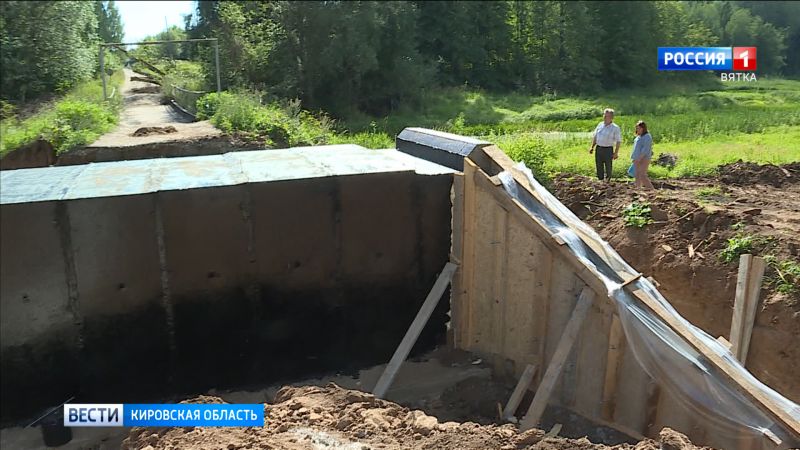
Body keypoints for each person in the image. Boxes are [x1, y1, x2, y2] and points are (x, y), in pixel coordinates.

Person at [589, 108, 621, 181]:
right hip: (599, 148)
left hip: (608, 149)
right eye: (604, 115)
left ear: (611, 117)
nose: (604, 117)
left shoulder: (615, 128)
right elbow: (595, 136)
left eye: (607, 116)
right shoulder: (600, 125)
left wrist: (616, 153)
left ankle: (607, 181)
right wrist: (592, 147)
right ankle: (600, 180)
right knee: (599, 165)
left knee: (608, 166)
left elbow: (618, 141)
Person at [631, 120, 654, 189]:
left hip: (644, 158)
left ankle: (651, 189)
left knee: (642, 175)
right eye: (637, 128)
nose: (637, 130)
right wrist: (634, 157)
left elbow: (646, 149)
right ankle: (638, 188)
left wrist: (640, 158)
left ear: (643, 128)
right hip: (636, 158)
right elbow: (635, 148)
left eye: (639, 128)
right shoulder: (638, 137)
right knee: (637, 175)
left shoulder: (647, 137)